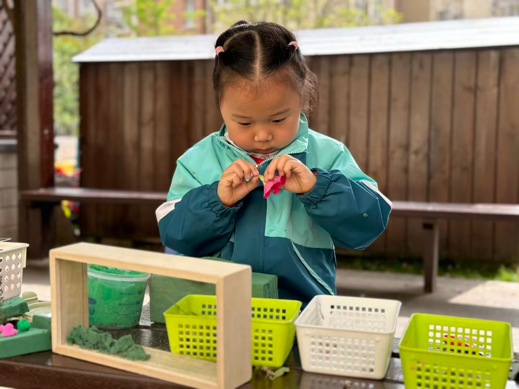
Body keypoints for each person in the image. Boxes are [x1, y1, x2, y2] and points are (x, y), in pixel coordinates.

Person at [156, 21, 391, 305]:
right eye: (244, 122)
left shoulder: (329, 154)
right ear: (220, 105)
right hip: (218, 310)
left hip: (303, 311)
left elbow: (369, 224)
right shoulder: (198, 161)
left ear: (302, 98)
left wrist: (318, 188)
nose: (263, 134)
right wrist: (216, 200)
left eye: (279, 119)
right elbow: (175, 236)